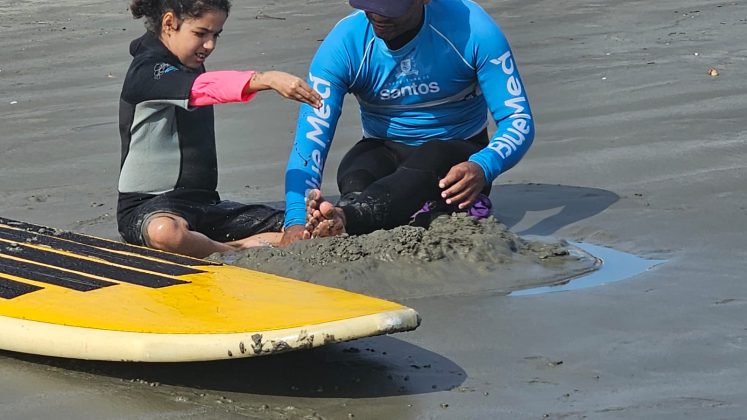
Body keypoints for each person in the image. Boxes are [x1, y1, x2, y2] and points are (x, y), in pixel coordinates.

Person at [281, 0, 534, 245]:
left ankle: (349, 218)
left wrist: (484, 166)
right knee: (357, 165)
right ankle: (343, 216)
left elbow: (518, 120)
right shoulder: (345, 43)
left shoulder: (473, 30)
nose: (378, 16)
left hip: (457, 160)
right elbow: (311, 138)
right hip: (385, 149)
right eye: (370, 5)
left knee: (433, 155)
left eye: (390, 8)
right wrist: (294, 221)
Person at [117, 0, 322, 258]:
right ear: (169, 23)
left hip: (205, 206)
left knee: (308, 226)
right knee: (165, 232)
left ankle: (247, 241)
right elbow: (201, 87)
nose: (210, 45)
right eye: (201, 34)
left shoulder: (185, 57)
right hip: (147, 209)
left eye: (216, 35)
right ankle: (236, 249)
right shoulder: (146, 70)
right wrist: (263, 79)